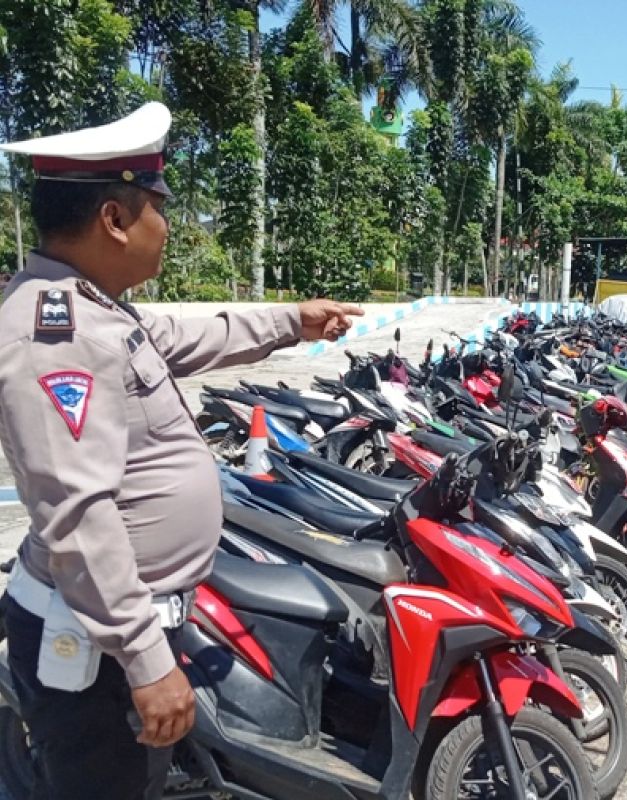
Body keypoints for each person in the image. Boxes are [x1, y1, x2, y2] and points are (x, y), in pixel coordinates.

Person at [0, 102, 364, 799]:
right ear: (114, 218)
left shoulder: (93, 306)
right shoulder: (55, 335)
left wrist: (293, 321)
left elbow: (184, 337)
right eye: (158, 207)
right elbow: (78, 514)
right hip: (97, 651)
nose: (168, 227)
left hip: (123, 627)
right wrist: (146, 663)